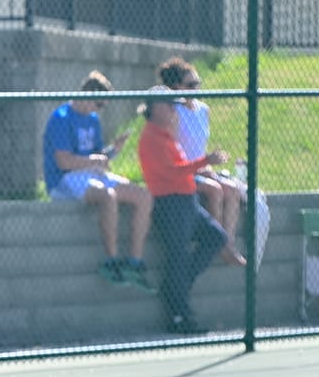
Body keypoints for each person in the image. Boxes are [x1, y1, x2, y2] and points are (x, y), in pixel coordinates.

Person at [42, 70, 154, 291]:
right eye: (99, 104)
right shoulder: (61, 118)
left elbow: (96, 157)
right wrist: (95, 160)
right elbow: (64, 162)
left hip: (88, 175)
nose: (99, 110)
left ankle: (134, 263)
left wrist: (112, 151)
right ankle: (112, 262)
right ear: (87, 95)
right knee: (107, 196)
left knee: (143, 196)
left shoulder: (92, 119)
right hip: (64, 180)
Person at [136, 87, 229, 335]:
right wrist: (205, 161)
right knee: (177, 256)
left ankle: (176, 286)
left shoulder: (167, 135)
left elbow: (180, 168)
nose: (173, 110)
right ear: (156, 108)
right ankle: (179, 316)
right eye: (169, 105)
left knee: (216, 237)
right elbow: (172, 171)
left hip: (188, 201)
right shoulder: (151, 138)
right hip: (170, 203)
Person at [158, 57, 246, 267]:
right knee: (214, 190)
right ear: (177, 87)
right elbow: (174, 153)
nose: (196, 89)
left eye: (198, 84)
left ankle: (229, 246)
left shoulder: (203, 110)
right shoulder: (173, 112)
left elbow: (199, 147)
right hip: (183, 171)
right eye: (190, 85)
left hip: (201, 168)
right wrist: (199, 167)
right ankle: (216, 242)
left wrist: (206, 165)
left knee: (232, 190)